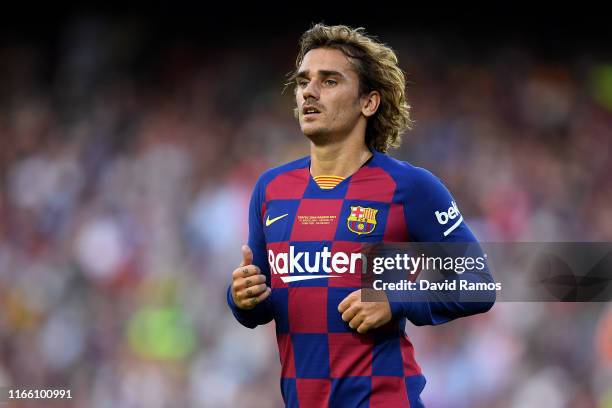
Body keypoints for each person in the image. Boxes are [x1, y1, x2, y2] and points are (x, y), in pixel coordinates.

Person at [227, 23, 495, 407]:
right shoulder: (271, 190)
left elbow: (479, 283)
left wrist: (396, 298)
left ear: (368, 103)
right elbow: (260, 301)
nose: (309, 92)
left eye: (330, 81)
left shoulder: (410, 188)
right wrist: (241, 298)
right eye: (304, 81)